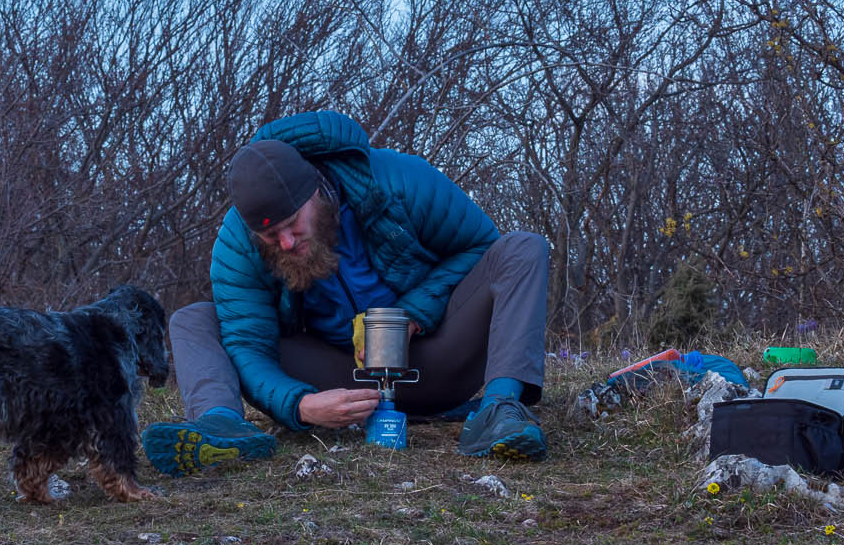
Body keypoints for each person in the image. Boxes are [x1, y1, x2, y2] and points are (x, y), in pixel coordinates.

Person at [142, 109, 550, 475]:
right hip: (337, 380)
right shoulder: (237, 243)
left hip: (435, 358)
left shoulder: (396, 180)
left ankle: (499, 410)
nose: (285, 243)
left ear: (315, 193)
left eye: (292, 224)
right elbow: (247, 344)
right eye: (270, 235)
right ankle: (222, 427)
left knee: (522, 248)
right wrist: (300, 406)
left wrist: (412, 314)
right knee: (195, 318)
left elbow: (480, 248)